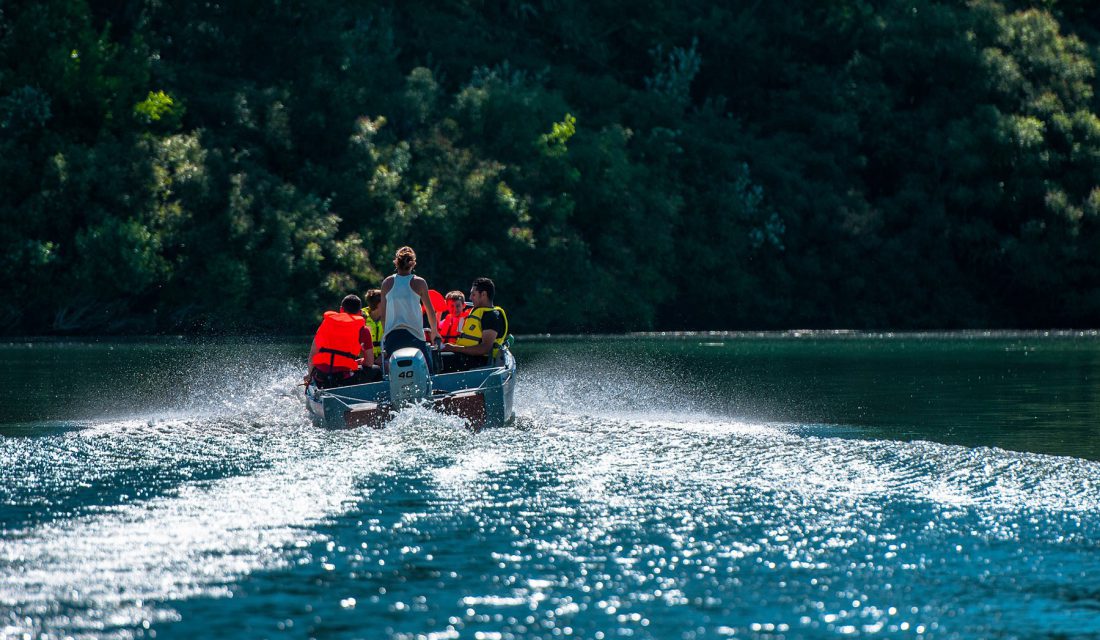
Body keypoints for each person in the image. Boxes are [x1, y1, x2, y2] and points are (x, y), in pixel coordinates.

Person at [377, 246, 441, 370]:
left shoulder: (386, 283)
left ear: (396, 262)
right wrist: (434, 332)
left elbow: (383, 316)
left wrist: (386, 336)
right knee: (427, 372)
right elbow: (430, 311)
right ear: (413, 263)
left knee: (397, 372)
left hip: (392, 337)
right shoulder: (420, 282)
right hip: (415, 336)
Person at [306, 294, 382, 388]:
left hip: (321, 378)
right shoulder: (363, 330)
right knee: (377, 370)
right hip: (345, 379)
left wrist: (310, 376)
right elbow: (369, 363)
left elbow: (311, 359)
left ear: (341, 309)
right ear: (359, 312)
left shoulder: (326, 324)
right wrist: (359, 362)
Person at [441, 277, 508, 372]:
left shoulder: (491, 316)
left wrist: (455, 348)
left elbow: (485, 348)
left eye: (473, 294)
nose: (470, 297)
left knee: (436, 361)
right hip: (465, 357)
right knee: (433, 356)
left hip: (478, 361)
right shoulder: (477, 312)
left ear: (483, 294)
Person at [363, 289, 384, 361]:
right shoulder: (361, 317)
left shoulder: (389, 317)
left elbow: (393, 340)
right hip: (364, 358)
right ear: (379, 304)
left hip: (384, 357)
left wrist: (383, 357)